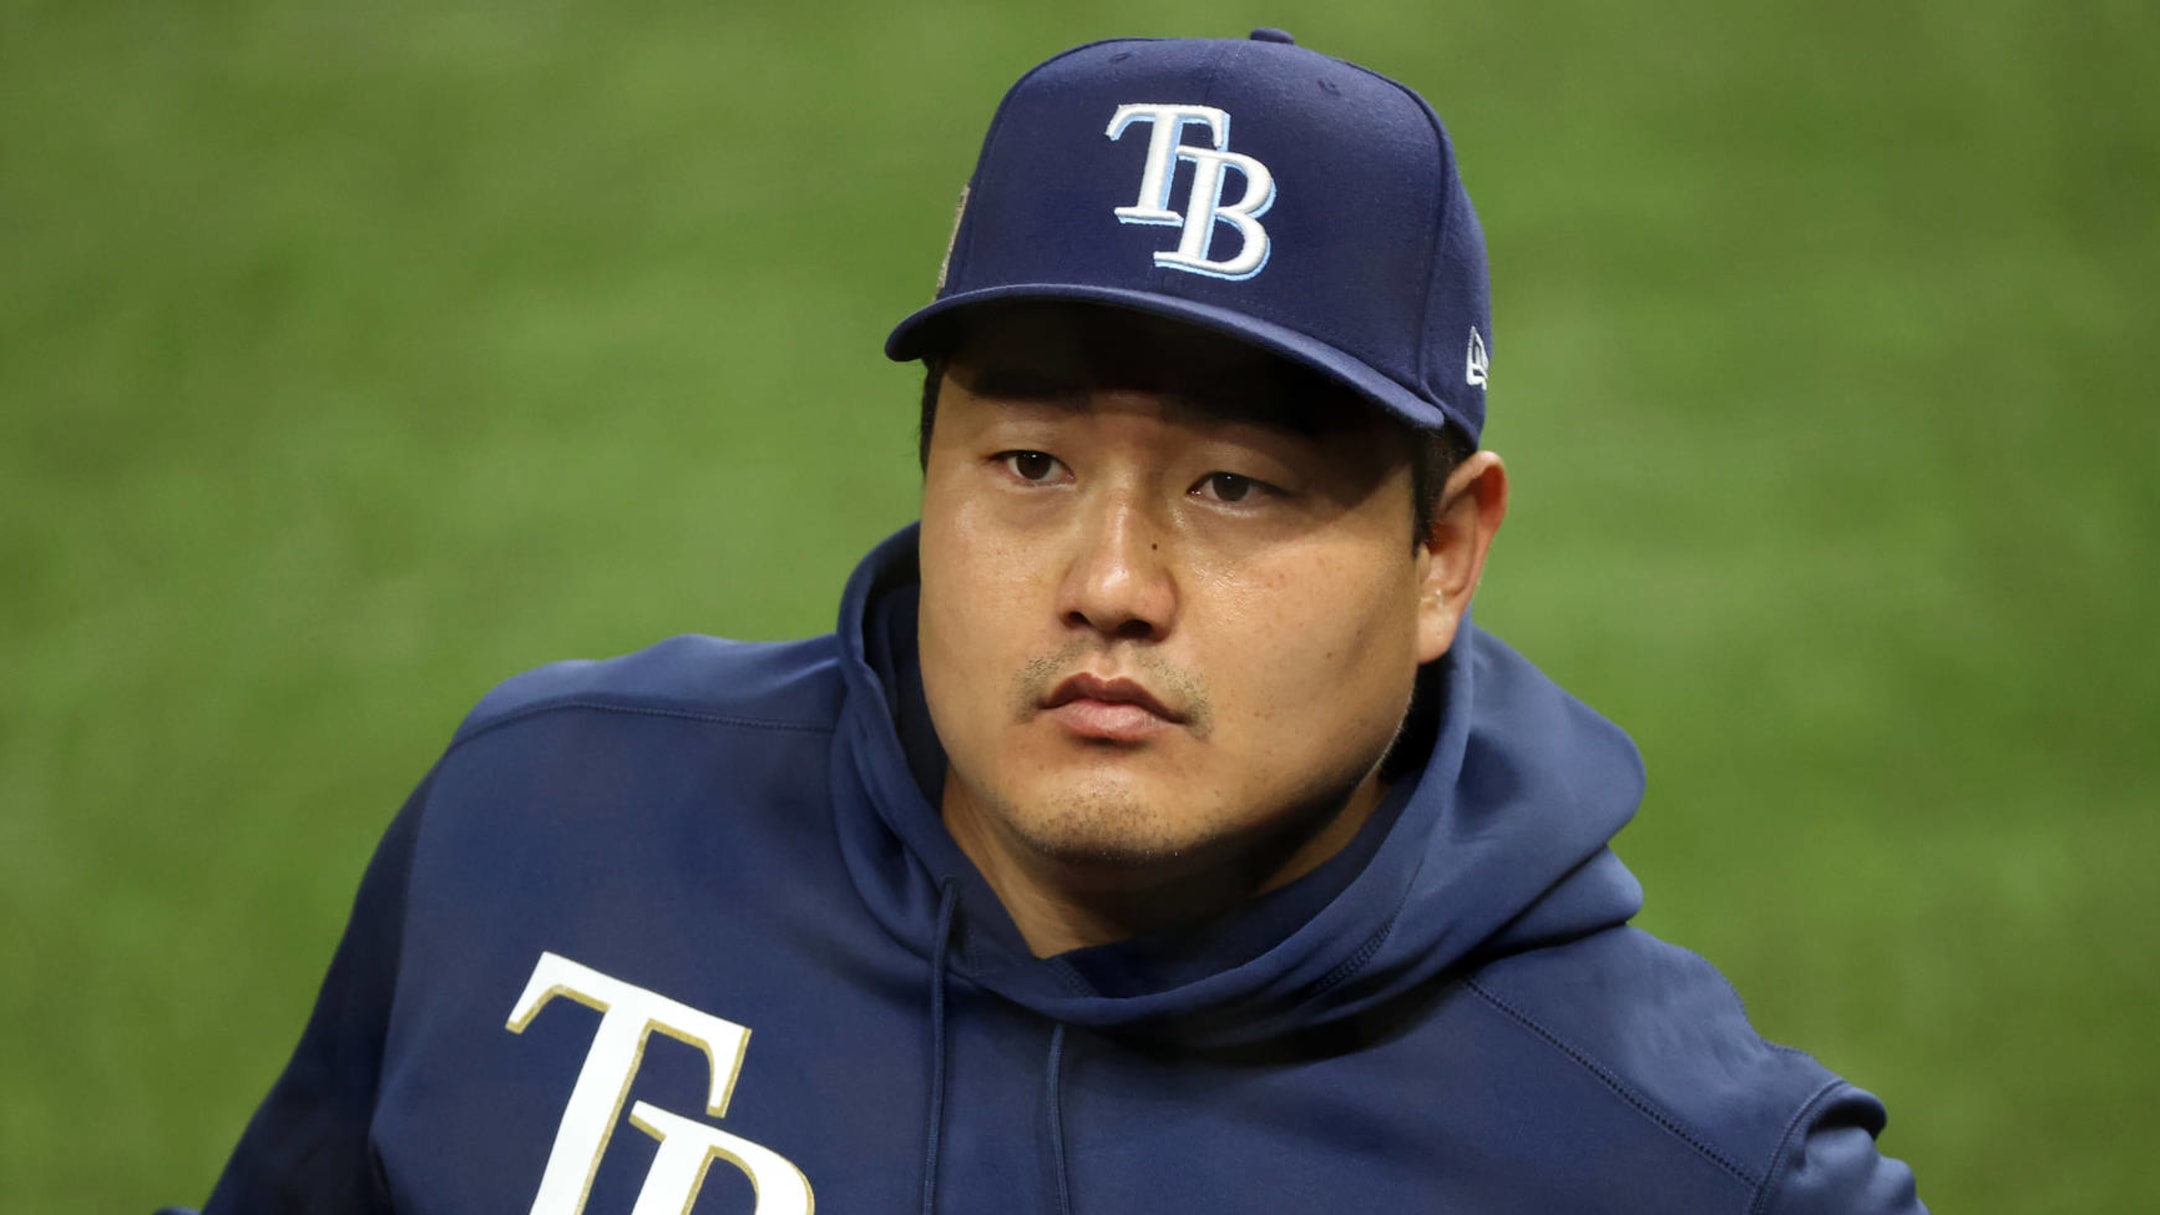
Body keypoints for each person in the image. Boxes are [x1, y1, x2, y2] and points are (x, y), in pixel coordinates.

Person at [181, 30, 1925, 1214]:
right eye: (1026, 460)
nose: (1110, 580)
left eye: (1235, 485)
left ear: (1444, 556)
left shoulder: (1682, 1167)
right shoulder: (547, 829)